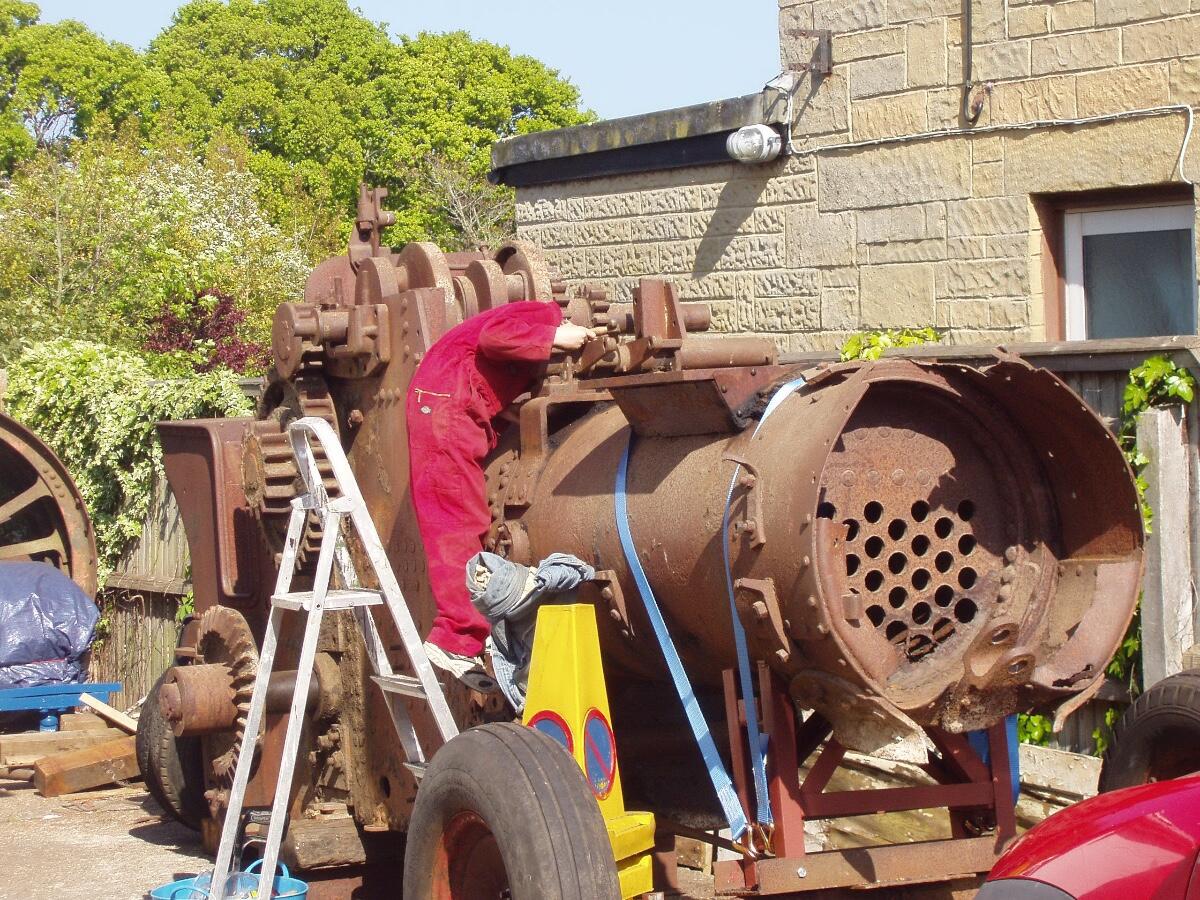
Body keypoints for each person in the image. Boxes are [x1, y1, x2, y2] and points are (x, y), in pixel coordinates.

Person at [406, 300, 594, 686]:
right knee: (458, 523)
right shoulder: (542, 313)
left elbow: (482, 366)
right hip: (446, 410)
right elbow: (496, 338)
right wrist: (556, 334)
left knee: (458, 520)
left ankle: (466, 634)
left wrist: (504, 411)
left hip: (441, 404)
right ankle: (456, 638)